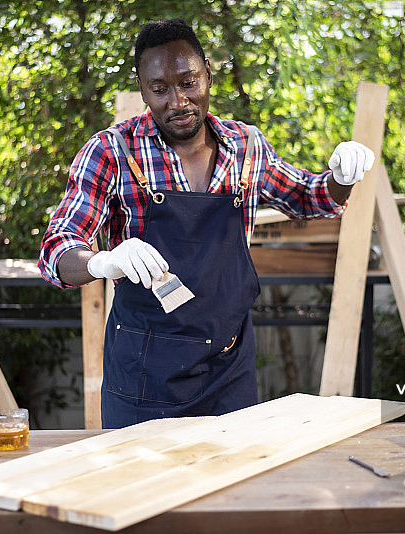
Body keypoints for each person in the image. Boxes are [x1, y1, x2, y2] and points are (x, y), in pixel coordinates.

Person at [39, 18, 374, 428]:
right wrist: (102, 261)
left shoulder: (245, 146)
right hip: (144, 375)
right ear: (142, 90)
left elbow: (309, 198)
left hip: (228, 369)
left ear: (208, 75)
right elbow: (57, 250)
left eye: (188, 82)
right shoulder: (111, 151)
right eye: (159, 89)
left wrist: (342, 177)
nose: (178, 101)